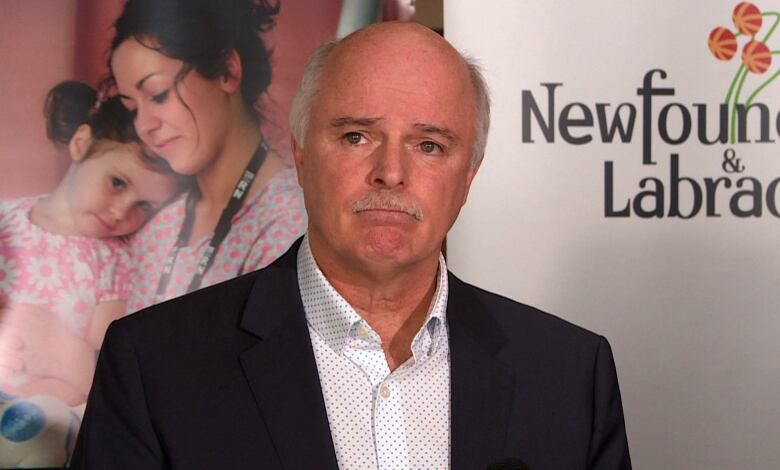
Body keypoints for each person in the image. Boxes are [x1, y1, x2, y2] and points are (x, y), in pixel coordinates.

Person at [72, 22, 632, 470]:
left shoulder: (568, 376)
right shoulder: (155, 366)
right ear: (300, 153)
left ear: (469, 176)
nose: (391, 172)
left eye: (430, 145)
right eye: (356, 137)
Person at [0, 81, 180, 467]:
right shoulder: (6, 219)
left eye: (144, 206)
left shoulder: (114, 261)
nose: (121, 212)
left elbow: (105, 360)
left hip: (48, 405)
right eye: (117, 183)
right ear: (82, 144)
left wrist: (50, 348)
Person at [107, 0, 306, 312]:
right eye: (132, 108)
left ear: (227, 71)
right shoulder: (158, 222)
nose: (144, 126)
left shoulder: (293, 221)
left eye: (158, 95)